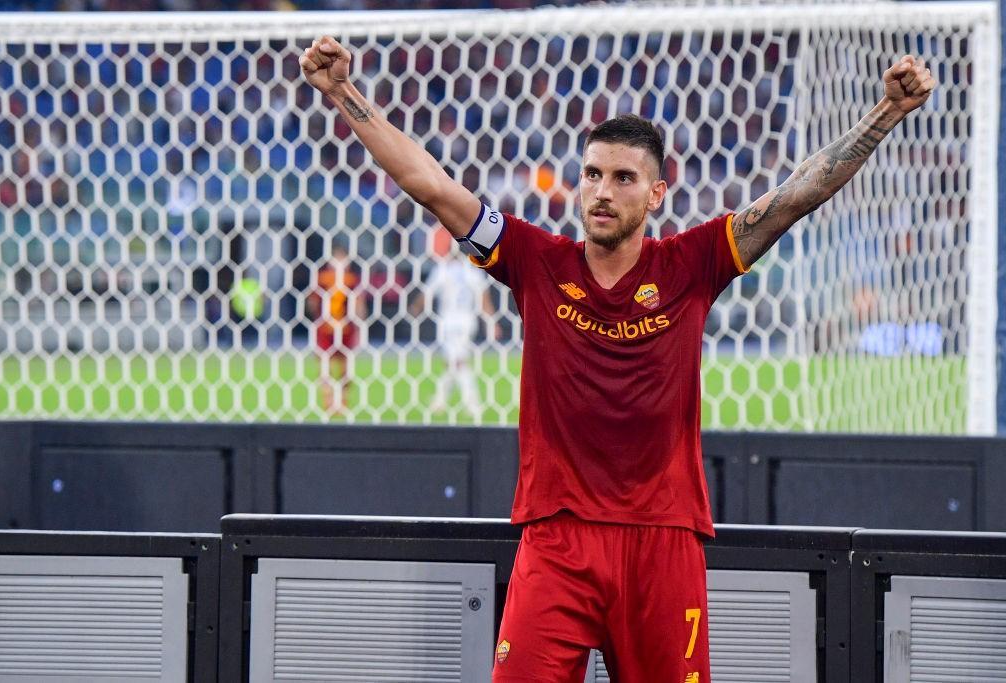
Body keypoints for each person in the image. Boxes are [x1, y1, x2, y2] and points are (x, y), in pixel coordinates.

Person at [300, 37, 935, 681]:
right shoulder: (534, 261)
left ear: (656, 194)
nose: (602, 192)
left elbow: (797, 195)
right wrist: (341, 92)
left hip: (664, 539)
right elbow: (429, 184)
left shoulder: (694, 263)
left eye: (623, 178)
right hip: (557, 539)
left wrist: (885, 111)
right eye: (593, 175)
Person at [412, 226, 499, 418]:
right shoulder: (473, 271)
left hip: (448, 322)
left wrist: (415, 309)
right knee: (452, 362)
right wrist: (492, 323)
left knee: (458, 364)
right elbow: (484, 299)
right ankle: (440, 401)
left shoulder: (442, 270)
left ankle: (472, 404)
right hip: (468, 322)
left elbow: (426, 294)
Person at [306, 244, 366, 412]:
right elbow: (312, 301)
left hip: (347, 329)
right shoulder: (322, 278)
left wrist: (360, 325)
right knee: (325, 366)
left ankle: (341, 400)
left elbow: (359, 304)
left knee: (346, 368)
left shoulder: (352, 279)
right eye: (337, 258)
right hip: (325, 329)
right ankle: (329, 400)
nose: (340, 262)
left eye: (342, 258)